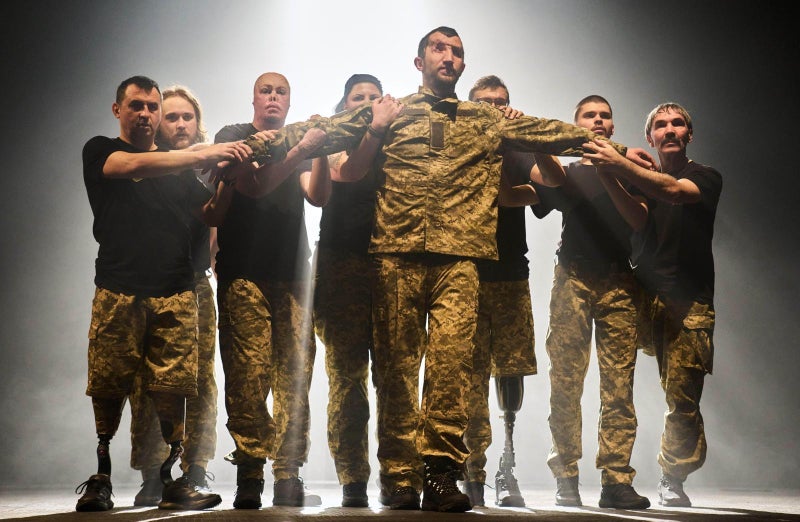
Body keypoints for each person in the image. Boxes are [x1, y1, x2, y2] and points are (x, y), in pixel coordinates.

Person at [234, 27, 644, 514]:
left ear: (463, 65)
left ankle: (442, 473)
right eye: (439, 49)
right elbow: (318, 130)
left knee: (450, 369)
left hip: (459, 260)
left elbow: (552, 132)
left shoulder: (483, 119)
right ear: (419, 60)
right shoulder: (390, 110)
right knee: (397, 371)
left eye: (457, 52)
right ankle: (399, 475)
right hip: (397, 255)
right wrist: (247, 150)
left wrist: (618, 154)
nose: (449, 58)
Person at [76, 75, 251, 512]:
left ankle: (173, 477)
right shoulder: (101, 149)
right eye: (137, 106)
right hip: (119, 287)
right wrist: (203, 153)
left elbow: (210, 212)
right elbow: (132, 167)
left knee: (174, 387)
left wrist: (227, 179)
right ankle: (102, 477)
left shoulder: (177, 168)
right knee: (110, 383)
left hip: (175, 290)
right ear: (118, 110)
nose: (146, 114)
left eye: (152, 107)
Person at [582, 102, 722, 508]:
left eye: (678, 123)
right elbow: (637, 219)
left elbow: (673, 192)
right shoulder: (641, 178)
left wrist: (620, 164)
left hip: (688, 301)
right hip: (638, 295)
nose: (670, 130)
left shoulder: (705, 177)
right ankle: (615, 480)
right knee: (616, 389)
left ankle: (672, 475)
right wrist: (610, 173)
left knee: (682, 399)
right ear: (650, 138)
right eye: (661, 125)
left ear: (689, 134)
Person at [209, 71, 329, 509]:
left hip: (294, 276)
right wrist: (301, 148)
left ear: (290, 101)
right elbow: (255, 187)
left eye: (281, 91)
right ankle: (250, 474)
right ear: (254, 98)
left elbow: (317, 196)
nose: (273, 97)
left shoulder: (297, 140)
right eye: (266, 90)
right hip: (244, 274)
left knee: (294, 379)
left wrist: (322, 150)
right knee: (248, 376)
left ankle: (288, 474)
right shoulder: (237, 137)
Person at [531, 95, 651, 509]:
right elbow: (544, 193)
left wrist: (613, 171)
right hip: (573, 278)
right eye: (589, 116)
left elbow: (639, 221)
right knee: (566, 381)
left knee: (619, 387)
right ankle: (566, 475)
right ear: (577, 124)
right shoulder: (566, 173)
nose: (598, 121)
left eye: (605, 116)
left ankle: (616, 481)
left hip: (620, 279)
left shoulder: (631, 168)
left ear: (613, 127)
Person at [461, 75, 562, 508]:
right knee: (464, 379)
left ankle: (507, 463)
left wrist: (533, 138)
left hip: (508, 277)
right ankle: (471, 471)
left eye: (500, 103)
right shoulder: (456, 148)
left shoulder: (517, 150)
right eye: (484, 103)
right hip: (460, 276)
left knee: (509, 373)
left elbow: (553, 184)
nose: (494, 109)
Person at [310, 74, 402, 508]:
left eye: (373, 97)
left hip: (390, 266)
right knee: (348, 380)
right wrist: (376, 129)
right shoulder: (333, 140)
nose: (367, 103)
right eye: (357, 98)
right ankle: (352, 478)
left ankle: (400, 476)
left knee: (395, 377)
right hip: (340, 267)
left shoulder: (399, 141)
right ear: (344, 106)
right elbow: (345, 174)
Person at [127, 85, 220, 506]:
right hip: (146, 285)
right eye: (172, 116)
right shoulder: (146, 164)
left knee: (198, 381)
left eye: (187, 117)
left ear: (198, 123)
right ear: (159, 123)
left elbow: (216, 225)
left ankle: (195, 469)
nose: (180, 124)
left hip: (194, 283)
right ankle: (153, 474)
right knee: (147, 383)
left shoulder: (210, 165)